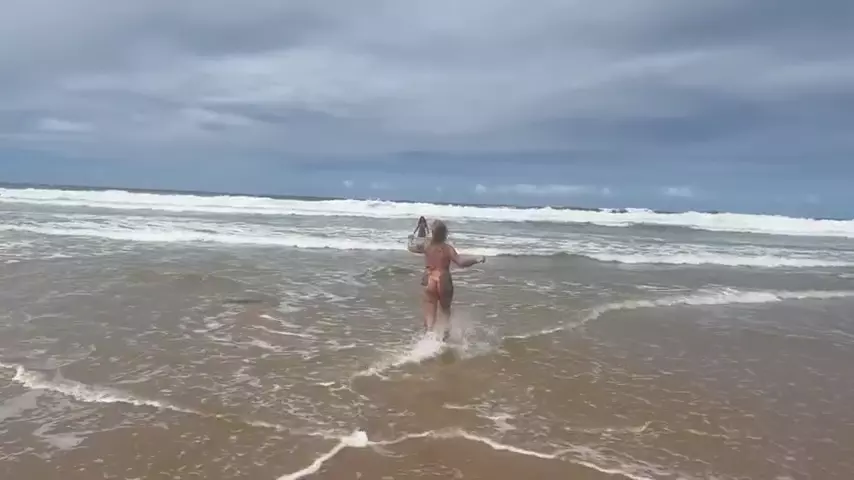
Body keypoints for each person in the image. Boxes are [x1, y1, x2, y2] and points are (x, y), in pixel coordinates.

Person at [421, 220, 485, 339]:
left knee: (430, 317)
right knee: (445, 311)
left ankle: (428, 342)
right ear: (445, 234)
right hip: (443, 279)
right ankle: (444, 341)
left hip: (429, 279)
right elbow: (461, 262)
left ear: (432, 233)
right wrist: (477, 259)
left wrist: (415, 236)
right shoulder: (447, 248)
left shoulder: (426, 246)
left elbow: (412, 246)